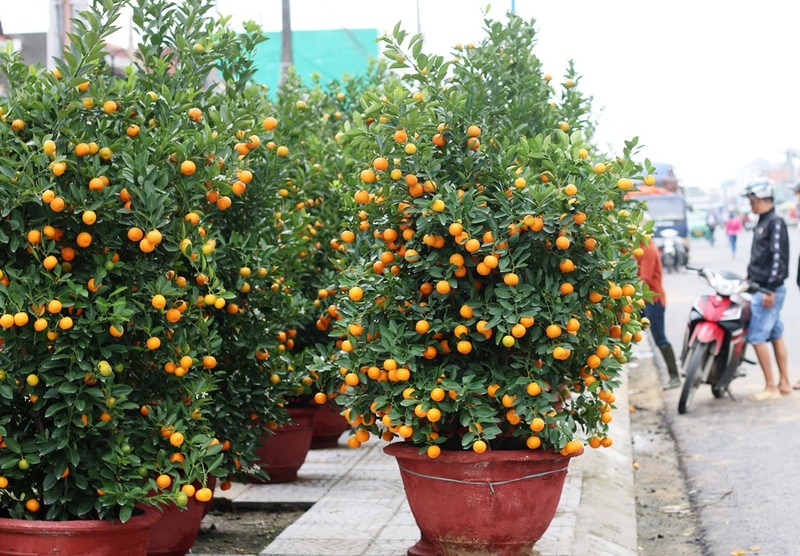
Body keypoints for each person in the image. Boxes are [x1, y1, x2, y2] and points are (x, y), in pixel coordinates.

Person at [743, 179, 791, 400]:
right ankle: (784, 383)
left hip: (768, 291)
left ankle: (771, 387)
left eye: (752, 200)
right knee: (775, 334)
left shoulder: (775, 222)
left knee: (756, 336)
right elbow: (761, 256)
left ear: (761, 199)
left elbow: (778, 259)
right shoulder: (762, 221)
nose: (750, 204)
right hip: (760, 286)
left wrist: (770, 289)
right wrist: (749, 275)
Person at [637, 225, 681, 389]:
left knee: (659, 337)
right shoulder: (639, 248)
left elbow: (645, 279)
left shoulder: (648, 249)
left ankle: (674, 376)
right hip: (643, 300)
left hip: (653, 301)